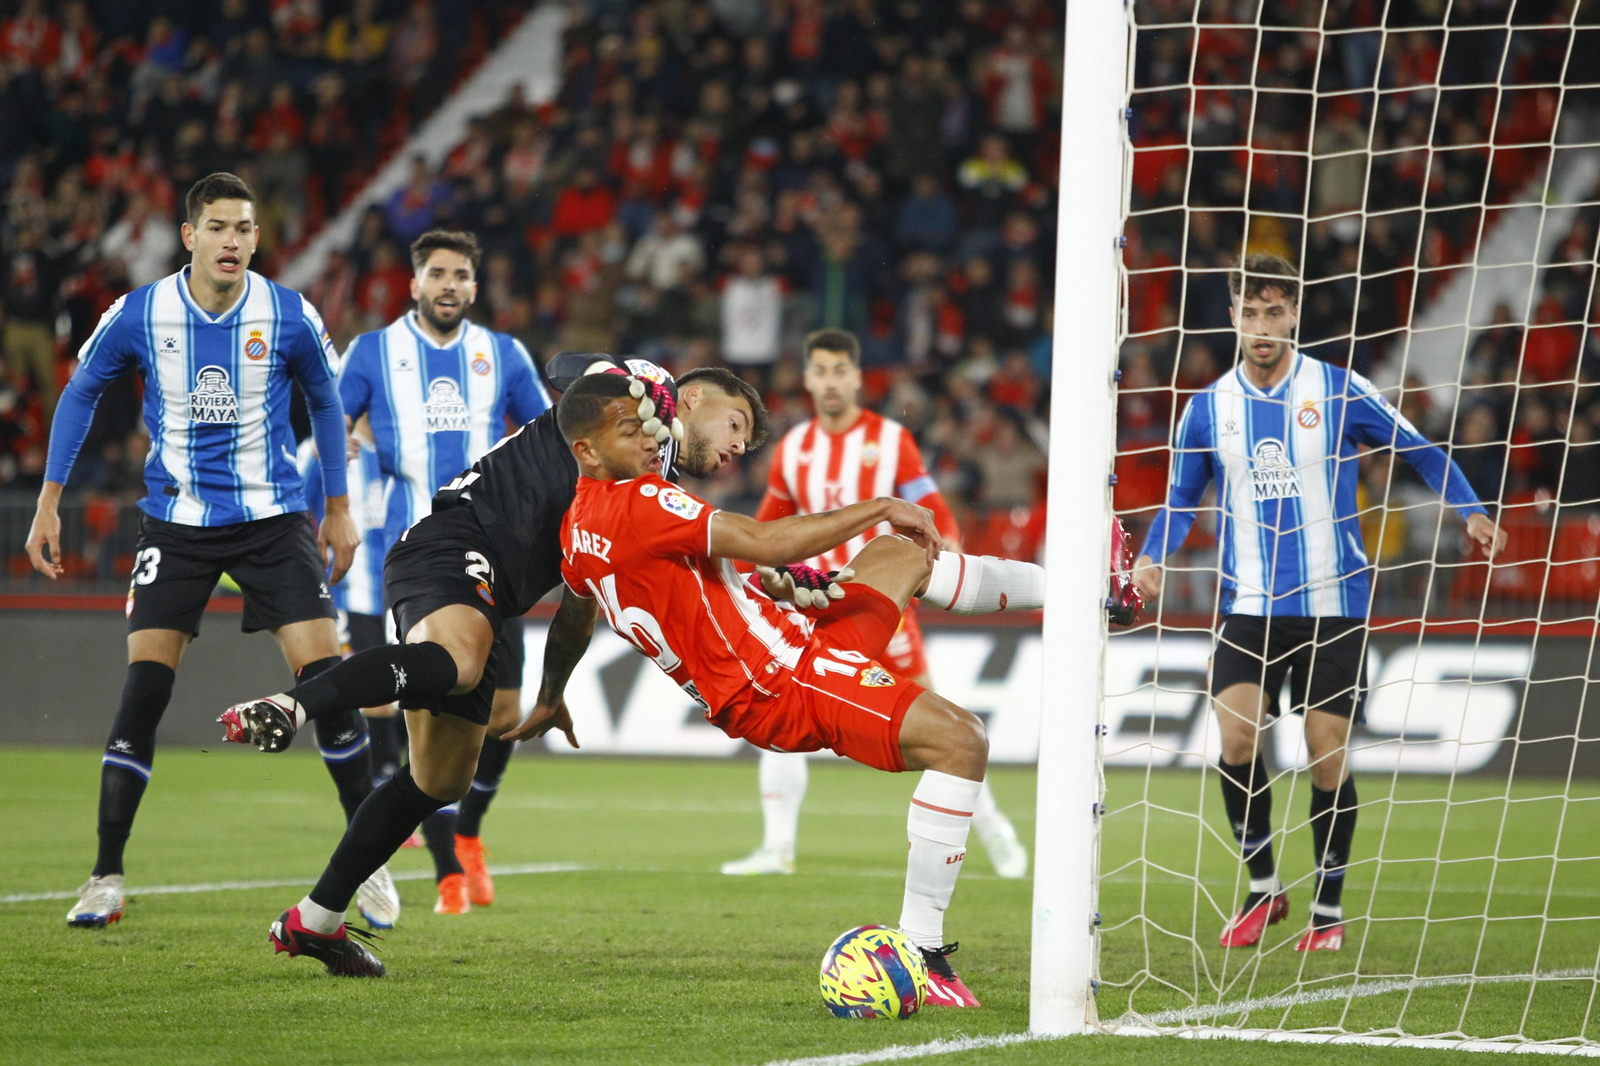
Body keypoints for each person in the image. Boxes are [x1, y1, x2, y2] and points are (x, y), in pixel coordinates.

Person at [220, 362, 766, 977]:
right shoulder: (639, 398)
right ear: (691, 398)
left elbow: (578, 604)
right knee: (457, 664)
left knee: (439, 781)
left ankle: (313, 923)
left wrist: (553, 691)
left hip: (495, 593)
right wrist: (645, 393)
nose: (739, 447)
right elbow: (584, 373)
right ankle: (294, 705)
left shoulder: (642, 487)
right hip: (453, 541)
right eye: (736, 423)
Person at [522, 372, 1047, 1007]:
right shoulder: (645, 502)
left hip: (794, 643)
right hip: (783, 682)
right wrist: (880, 502)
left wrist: (550, 692)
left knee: (900, 555)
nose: (645, 438)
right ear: (589, 447)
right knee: (962, 741)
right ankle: (926, 952)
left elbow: (580, 610)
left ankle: (1080, 593)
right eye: (629, 431)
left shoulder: (580, 528)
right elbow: (765, 537)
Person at [25, 172, 399, 930]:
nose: (233, 241)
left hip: (272, 520)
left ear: (258, 239)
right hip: (177, 522)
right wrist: (48, 502)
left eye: (246, 229)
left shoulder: (288, 314)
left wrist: (335, 508)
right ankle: (104, 876)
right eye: (219, 227)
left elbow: (326, 401)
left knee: (327, 683)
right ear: (190, 236)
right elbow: (80, 391)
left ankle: (370, 864)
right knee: (145, 692)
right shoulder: (141, 312)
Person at [1132, 253, 1507, 953]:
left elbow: (1422, 451)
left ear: (1295, 314)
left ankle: (1327, 912)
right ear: (1233, 316)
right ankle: (1263, 886)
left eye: (1275, 311)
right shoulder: (1209, 407)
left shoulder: (1338, 390)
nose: (1263, 326)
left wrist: (1469, 509)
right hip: (1248, 603)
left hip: (1334, 603)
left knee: (1324, 753)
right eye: (1250, 311)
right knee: (1236, 738)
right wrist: (1154, 554)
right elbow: (1183, 497)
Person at [722, 328, 1029, 880]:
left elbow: (936, 510)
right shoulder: (793, 449)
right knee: (781, 715)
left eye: (841, 371)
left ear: (858, 377)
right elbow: (764, 529)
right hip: (807, 610)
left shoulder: (891, 440)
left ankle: (996, 831)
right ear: (808, 378)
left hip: (880, 608)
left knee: (940, 725)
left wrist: (942, 564)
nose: (831, 381)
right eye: (820, 371)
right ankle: (777, 847)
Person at [335, 229, 551, 917]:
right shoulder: (372, 354)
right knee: (402, 712)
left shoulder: (503, 356)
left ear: (475, 287)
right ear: (414, 283)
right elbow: (326, 426)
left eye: (461, 273)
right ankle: (446, 866)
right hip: (403, 562)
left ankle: (467, 833)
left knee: (506, 715)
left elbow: (548, 440)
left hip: (491, 557)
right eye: (437, 273)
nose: (449, 284)